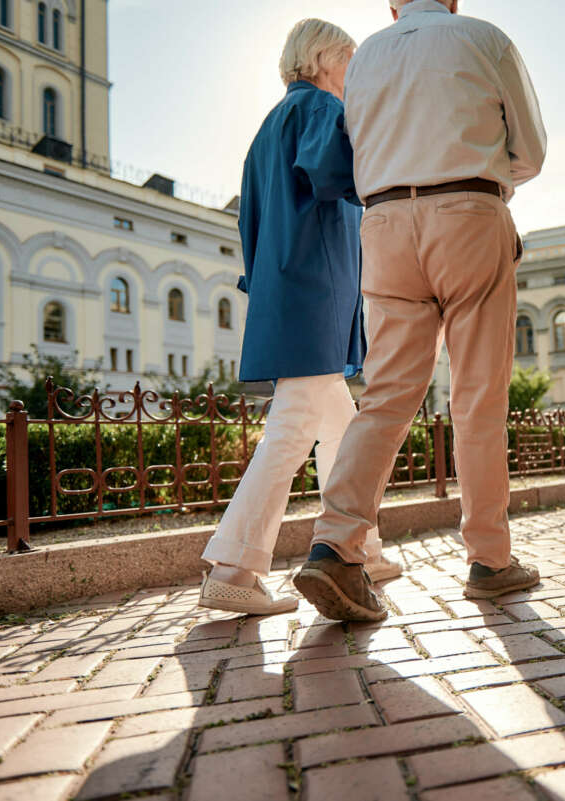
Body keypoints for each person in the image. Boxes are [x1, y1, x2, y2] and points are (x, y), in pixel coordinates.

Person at [292, 0, 547, 621]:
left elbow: (352, 150)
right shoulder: (484, 37)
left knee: (386, 395)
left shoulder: (368, 55)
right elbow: (531, 151)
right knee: (478, 396)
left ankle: (335, 545)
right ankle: (489, 559)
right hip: (467, 211)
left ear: (392, 4)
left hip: (382, 224)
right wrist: (478, 177)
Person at [198, 19, 399, 617]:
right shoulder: (318, 109)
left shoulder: (269, 127)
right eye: (350, 60)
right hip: (315, 293)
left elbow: (251, 225)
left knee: (341, 427)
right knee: (291, 432)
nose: (354, 74)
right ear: (320, 58)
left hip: (290, 291)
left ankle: (359, 546)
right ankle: (233, 567)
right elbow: (344, 176)